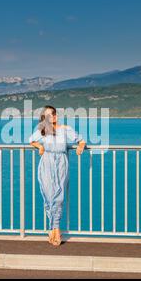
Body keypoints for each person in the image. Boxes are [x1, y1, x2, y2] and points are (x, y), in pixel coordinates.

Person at [28, 105, 86, 246]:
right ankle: (52, 229)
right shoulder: (42, 130)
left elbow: (81, 140)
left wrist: (80, 147)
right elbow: (31, 140)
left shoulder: (66, 130)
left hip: (61, 164)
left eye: (53, 113)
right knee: (48, 197)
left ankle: (56, 229)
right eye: (48, 115)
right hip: (46, 164)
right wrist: (40, 146)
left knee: (58, 197)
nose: (52, 116)